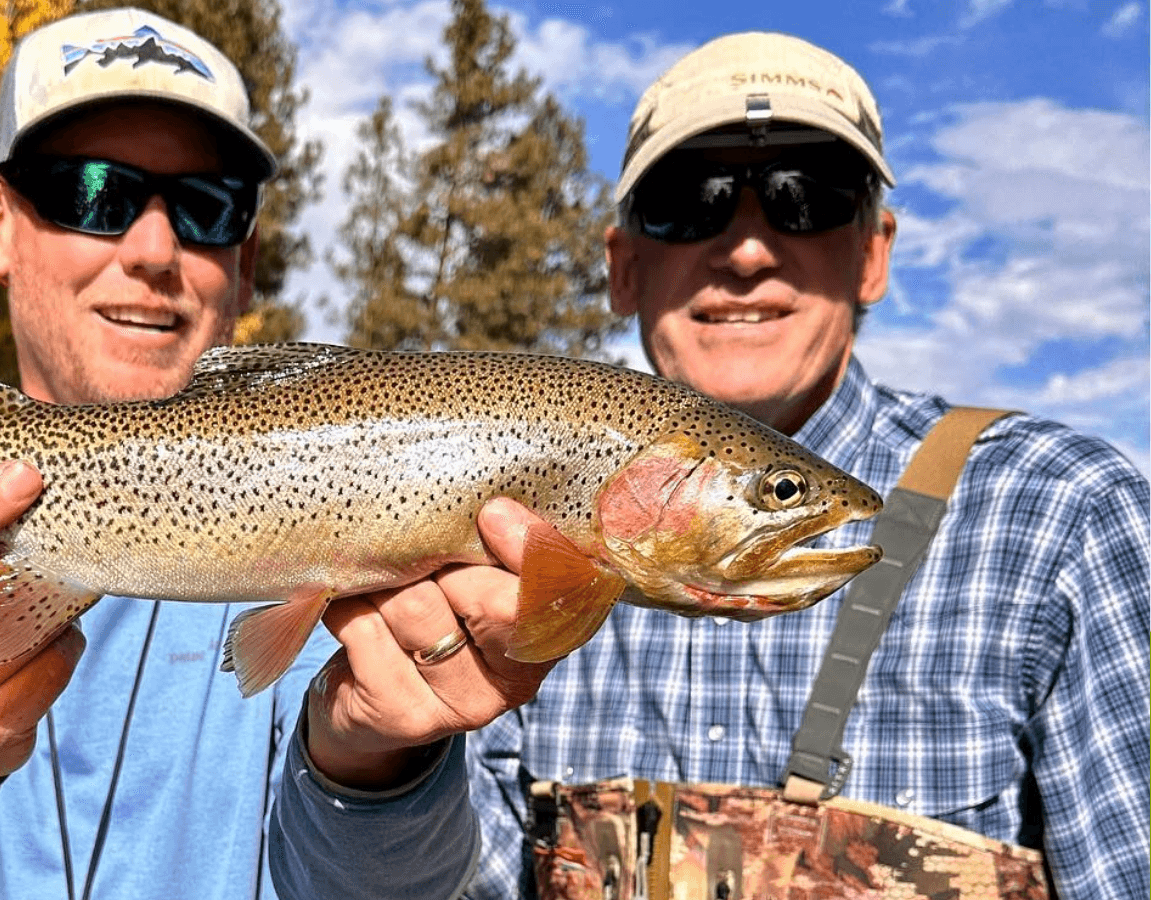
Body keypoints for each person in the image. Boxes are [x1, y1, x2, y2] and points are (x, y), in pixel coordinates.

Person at [0, 8, 552, 898]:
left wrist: (375, 767)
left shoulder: (338, 512)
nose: (152, 249)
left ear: (244, 262)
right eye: (91, 193)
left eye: (206, 209)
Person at [266, 31, 1149, 899]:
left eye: (805, 197)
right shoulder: (498, 518)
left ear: (873, 252)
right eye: (692, 200)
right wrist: (376, 769)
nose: (747, 249)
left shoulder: (1067, 513)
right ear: (622, 267)